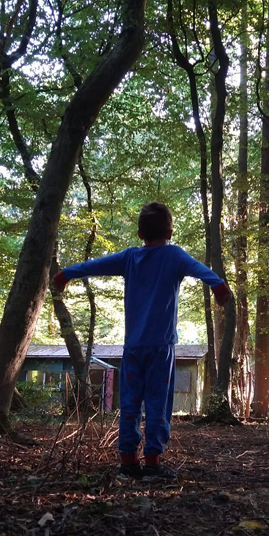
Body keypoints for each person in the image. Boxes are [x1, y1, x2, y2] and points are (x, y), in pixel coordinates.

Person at [52, 202, 233, 481]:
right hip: (161, 349)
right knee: (158, 404)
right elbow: (202, 271)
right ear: (170, 232)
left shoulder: (129, 258)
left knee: (130, 405)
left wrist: (66, 274)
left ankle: (128, 463)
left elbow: (95, 265)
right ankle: (152, 463)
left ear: (140, 233)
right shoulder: (174, 256)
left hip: (133, 349)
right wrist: (219, 286)